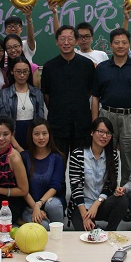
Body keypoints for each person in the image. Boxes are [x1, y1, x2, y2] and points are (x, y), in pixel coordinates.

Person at [91, 27, 131, 186]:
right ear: (111, 45)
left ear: (129, 45)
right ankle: (106, 191)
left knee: (129, 158)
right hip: (107, 115)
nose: (120, 46)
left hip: (130, 117)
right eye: (117, 42)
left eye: (124, 42)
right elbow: (95, 97)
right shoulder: (102, 68)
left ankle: (127, 193)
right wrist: (95, 123)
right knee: (105, 155)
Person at [41, 25, 95, 161]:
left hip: (82, 123)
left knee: (81, 164)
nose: (66, 43)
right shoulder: (49, 67)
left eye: (70, 39)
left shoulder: (87, 65)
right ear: (56, 42)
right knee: (58, 162)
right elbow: (46, 94)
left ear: (76, 41)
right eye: (62, 39)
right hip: (58, 124)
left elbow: (90, 91)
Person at [68, 117, 129, 231]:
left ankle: (110, 231)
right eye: (101, 132)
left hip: (101, 204)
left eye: (108, 133)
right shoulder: (78, 155)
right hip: (81, 207)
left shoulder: (113, 156)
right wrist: (85, 216)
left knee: (122, 200)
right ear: (92, 132)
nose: (104, 136)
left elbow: (110, 185)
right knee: (90, 236)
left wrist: (97, 204)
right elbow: (76, 188)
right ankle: (93, 226)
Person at [21, 119, 65, 229]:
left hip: (50, 202)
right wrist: (35, 207)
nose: (41, 137)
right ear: (31, 136)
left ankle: (59, 233)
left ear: (49, 134)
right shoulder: (24, 157)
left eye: (44, 133)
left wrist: (39, 204)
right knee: (44, 227)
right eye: (37, 134)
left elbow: (55, 186)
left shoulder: (57, 157)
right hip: (29, 206)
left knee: (54, 206)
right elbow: (23, 188)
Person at [0, 55, 45, 150]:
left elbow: (40, 119)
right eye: (18, 72)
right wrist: (17, 146)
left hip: (33, 135)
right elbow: (4, 122)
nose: (22, 75)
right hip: (13, 135)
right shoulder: (4, 94)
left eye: (25, 71)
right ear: (12, 71)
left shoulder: (37, 93)